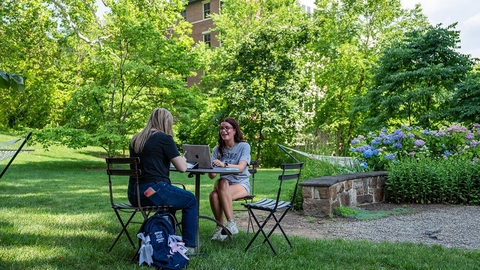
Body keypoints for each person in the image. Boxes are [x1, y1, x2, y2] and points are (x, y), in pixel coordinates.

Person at [128, 108, 197, 253]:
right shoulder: (164, 139)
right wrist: (183, 160)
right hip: (153, 192)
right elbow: (182, 168)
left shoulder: (136, 139)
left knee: (172, 199)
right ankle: (189, 246)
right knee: (190, 200)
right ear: (166, 122)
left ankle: (167, 239)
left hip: (135, 195)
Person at [208, 117, 251, 241]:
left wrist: (224, 164)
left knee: (215, 195)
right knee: (220, 185)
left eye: (227, 128)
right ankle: (220, 227)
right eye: (222, 128)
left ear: (234, 131)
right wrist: (209, 166)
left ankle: (231, 223)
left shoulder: (244, 146)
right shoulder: (217, 149)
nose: (224, 131)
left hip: (241, 184)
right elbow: (212, 176)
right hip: (223, 185)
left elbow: (241, 168)